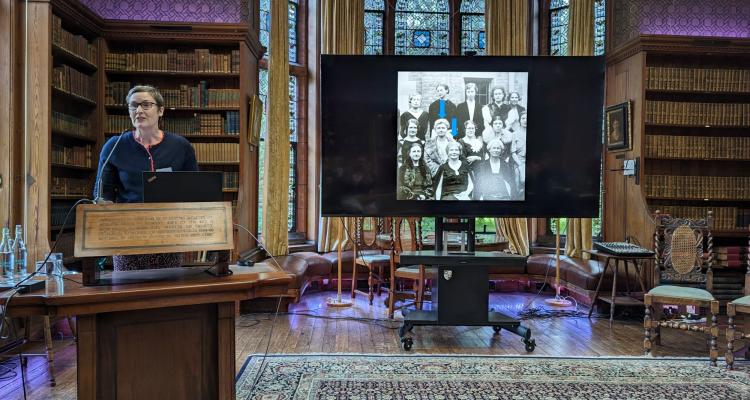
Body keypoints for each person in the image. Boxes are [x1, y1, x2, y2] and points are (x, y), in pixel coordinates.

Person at [93, 85, 198, 271]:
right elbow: (103, 194)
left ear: (161, 110)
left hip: (168, 236)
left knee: (166, 291)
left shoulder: (181, 147)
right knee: (128, 292)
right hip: (127, 237)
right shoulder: (114, 146)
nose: (139, 110)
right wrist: (104, 206)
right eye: (133, 106)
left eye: (146, 105)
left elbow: (194, 192)